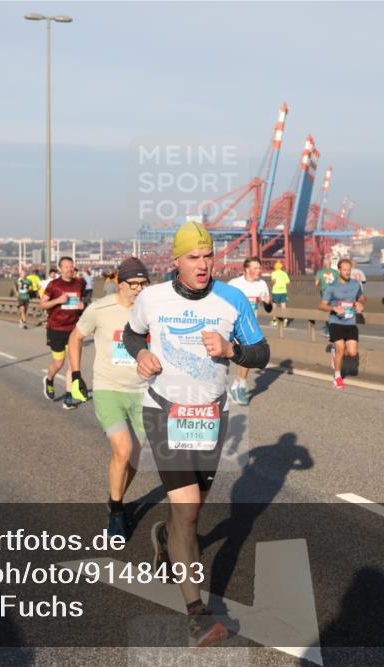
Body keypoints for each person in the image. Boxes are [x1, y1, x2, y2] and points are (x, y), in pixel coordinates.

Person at [123, 221, 269, 647]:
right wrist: (143, 353)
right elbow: (133, 335)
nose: (203, 265)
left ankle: (167, 539)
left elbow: (261, 351)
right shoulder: (152, 298)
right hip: (163, 412)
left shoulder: (232, 299)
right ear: (176, 262)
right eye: (193, 258)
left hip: (210, 415)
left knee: (193, 509)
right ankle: (197, 614)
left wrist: (232, 351)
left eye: (208, 256)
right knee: (186, 509)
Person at [67, 257, 150, 537]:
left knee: (136, 457)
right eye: (133, 283)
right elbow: (75, 337)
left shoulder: (150, 310)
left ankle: (116, 498)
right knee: (123, 449)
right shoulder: (100, 309)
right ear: (119, 282)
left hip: (143, 391)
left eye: (143, 283)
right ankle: (116, 512)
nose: (139, 289)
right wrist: (76, 374)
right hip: (108, 389)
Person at [40, 257, 86, 407]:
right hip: (56, 329)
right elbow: (43, 305)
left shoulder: (80, 283)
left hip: (73, 330)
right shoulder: (54, 285)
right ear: (60, 269)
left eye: (71, 266)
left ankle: (68, 397)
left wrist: (82, 305)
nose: (69, 269)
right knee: (59, 363)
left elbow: (82, 301)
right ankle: (49, 379)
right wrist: (58, 300)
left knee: (73, 365)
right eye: (66, 266)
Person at [226, 257, 273, 404]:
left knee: (248, 355)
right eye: (255, 268)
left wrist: (267, 303)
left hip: (250, 327)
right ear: (246, 269)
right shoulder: (235, 284)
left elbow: (269, 308)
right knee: (235, 356)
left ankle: (239, 386)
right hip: (233, 324)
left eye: (260, 268)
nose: (259, 270)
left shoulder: (261, 284)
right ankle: (235, 386)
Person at [318, 259, 365, 389]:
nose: (347, 272)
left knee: (353, 353)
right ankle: (337, 377)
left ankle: (335, 352)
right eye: (345, 270)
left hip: (350, 322)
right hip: (336, 322)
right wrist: (333, 308)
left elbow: (361, 296)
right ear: (339, 271)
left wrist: (360, 302)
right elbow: (321, 305)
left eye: (349, 270)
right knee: (340, 349)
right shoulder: (332, 287)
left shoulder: (356, 284)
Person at [269, 260, 290, 326]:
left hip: (275, 291)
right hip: (283, 291)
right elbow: (288, 282)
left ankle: (274, 320)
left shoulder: (273, 273)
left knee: (274, 306)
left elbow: (273, 281)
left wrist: (271, 285)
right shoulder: (284, 273)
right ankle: (285, 319)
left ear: (275, 267)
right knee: (283, 306)